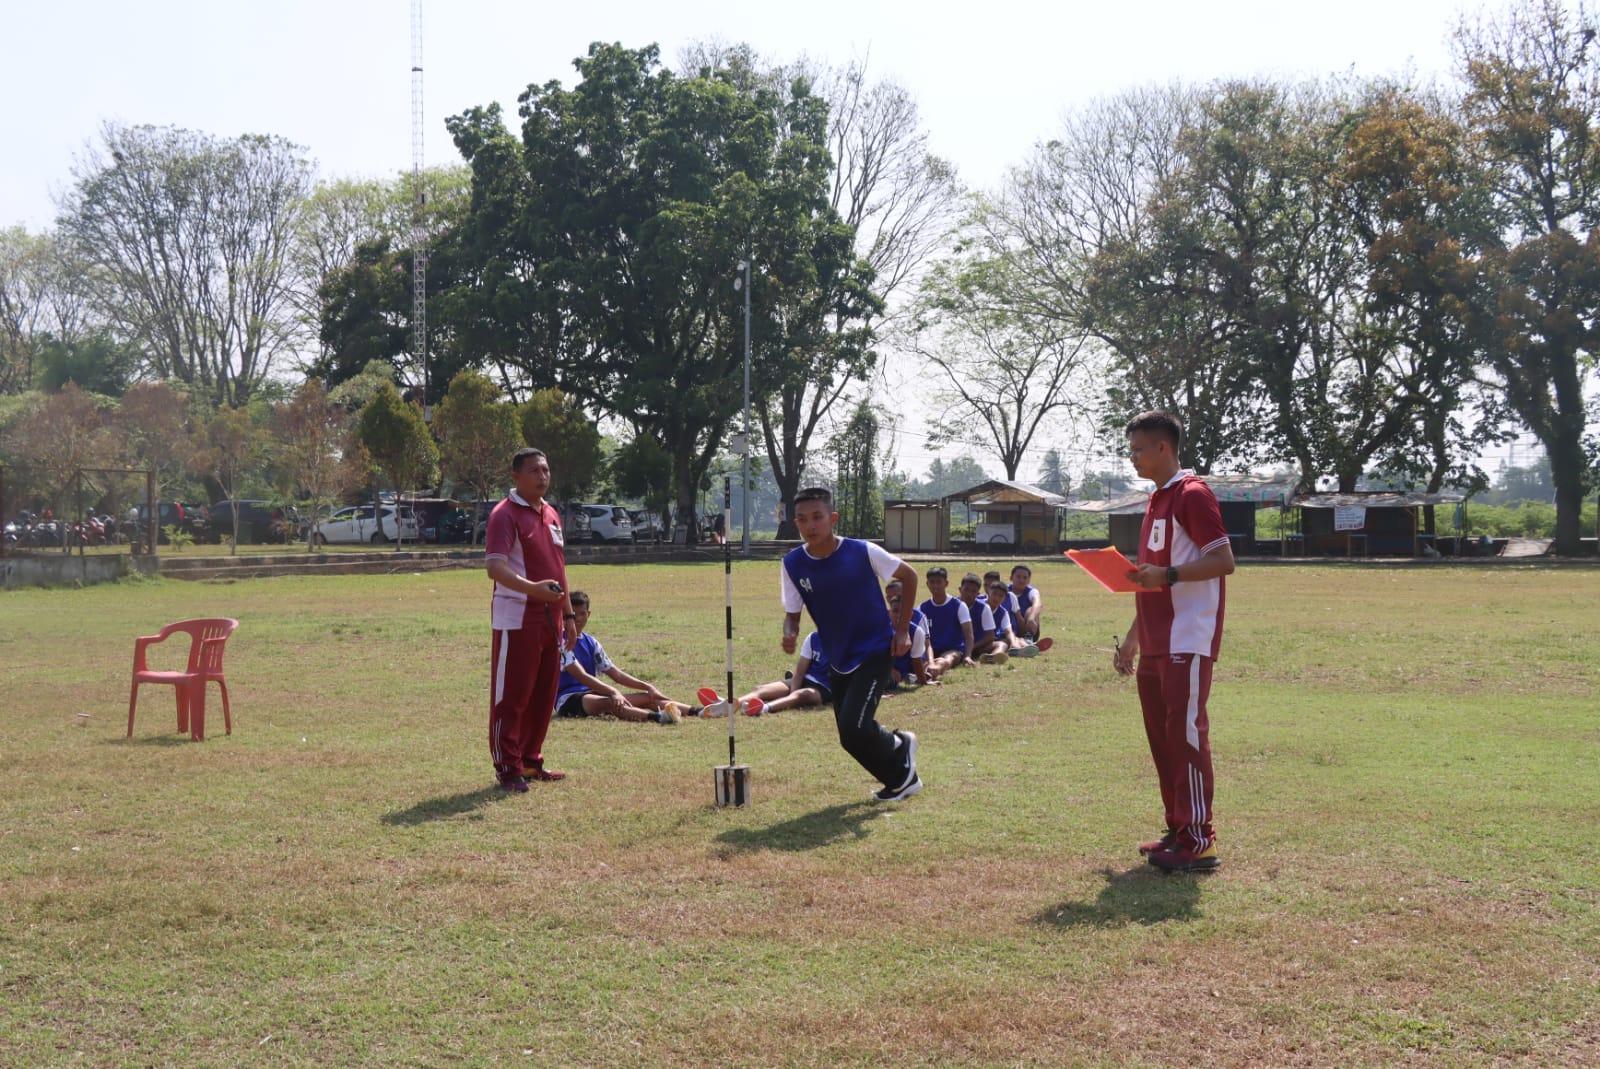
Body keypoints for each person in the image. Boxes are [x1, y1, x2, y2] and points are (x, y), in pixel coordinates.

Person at [1113, 410, 1235, 872]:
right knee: (1162, 736)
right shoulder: (1155, 501)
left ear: (1164, 448)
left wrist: (1168, 574)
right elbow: (1150, 580)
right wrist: (1132, 638)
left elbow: (1223, 560)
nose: (1132, 458)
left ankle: (1199, 839)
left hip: (1188, 634)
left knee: (1185, 736)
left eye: (1138, 448)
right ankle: (1179, 828)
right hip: (1157, 638)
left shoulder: (1192, 494)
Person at [781, 487, 923, 801]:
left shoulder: (862, 551)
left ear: (832, 519)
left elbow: (910, 576)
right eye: (803, 520)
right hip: (837, 655)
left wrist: (901, 632)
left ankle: (899, 745)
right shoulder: (792, 564)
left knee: (855, 726)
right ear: (796, 523)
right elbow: (793, 614)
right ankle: (900, 778)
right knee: (848, 737)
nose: (810, 526)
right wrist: (789, 631)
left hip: (875, 649)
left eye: (817, 517)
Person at [485, 446, 576, 792]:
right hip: (516, 618)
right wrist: (532, 589)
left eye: (546, 470)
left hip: (550, 620)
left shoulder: (551, 513)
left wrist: (567, 614)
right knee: (513, 696)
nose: (543, 477)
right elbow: (494, 567)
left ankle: (530, 761)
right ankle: (508, 767)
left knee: (542, 693)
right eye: (535, 471)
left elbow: (560, 568)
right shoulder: (504, 515)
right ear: (516, 477)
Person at [555, 591, 702, 724]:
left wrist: (648, 687)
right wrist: (614, 692)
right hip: (568, 698)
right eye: (574, 615)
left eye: (583, 614)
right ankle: (659, 718)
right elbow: (581, 676)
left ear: (589, 614)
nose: (578, 619)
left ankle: (699, 711)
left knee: (648, 697)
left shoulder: (591, 642)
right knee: (612, 703)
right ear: (565, 615)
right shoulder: (561, 641)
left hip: (595, 694)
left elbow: (616, 674)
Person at [730, 630, 834, 717]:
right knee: (761, 689)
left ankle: (763, 708)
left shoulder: (844, 644)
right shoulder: (813, 638)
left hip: (823, 689)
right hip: (805, 679)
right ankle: (733, 704)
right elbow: (799, 672)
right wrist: (792, 692)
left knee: (802, 694)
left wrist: (794, 696)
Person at [920, 565, 974, 679]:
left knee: (947, 659)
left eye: (939, 582)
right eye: (932, 582)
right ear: (927, 584)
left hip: (953, 649)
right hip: (931, 650)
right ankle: (926, 672)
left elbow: (968, 634)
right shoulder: (922, 608)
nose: (935, 586)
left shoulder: (958, 605)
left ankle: (930, 673)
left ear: (946, 583)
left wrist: (968, 656)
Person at [985, 578, 1053, 656]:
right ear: (988, 592)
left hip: (995, 638)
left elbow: (1008, 631)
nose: (996, 598)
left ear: (1004, 598)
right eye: (994, 594)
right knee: (1004, 643)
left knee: (1012, 639)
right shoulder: (981, 607)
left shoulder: (1003, 611)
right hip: (981, 641)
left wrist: (1015, 640)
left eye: (1000, 596)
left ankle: (1024, 647)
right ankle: (1026, 647)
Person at [886, 578, 931, 687]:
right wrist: (889, 670)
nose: (898, 615)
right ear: (889, 612)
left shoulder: (916, 631)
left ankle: (908, 676)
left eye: (903, 612)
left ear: (910, 614)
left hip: (903, 666)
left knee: (890, 682)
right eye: (895, 611)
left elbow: (916, 658)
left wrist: (923, 683)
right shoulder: (881, 628)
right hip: (881, 666)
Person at [956, 572, 1008, 665]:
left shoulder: (983, 608)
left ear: (978, 594)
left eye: (973, 591)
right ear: (960, 590)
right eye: (966, 590)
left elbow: (990, 636)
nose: (969, 594)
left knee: (1001, 644)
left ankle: (992, 657)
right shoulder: (953, 605)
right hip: (956, 646)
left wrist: (973, 647)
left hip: (977, 646)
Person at [1008, 564, 1045, 640]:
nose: (1021, 580)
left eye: (1025, 578)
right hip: (1008, 627)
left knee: (1031, 610)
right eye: (1018, 577)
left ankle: (1029, 639)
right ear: (1011, 578)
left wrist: (1031, 618)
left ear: (1029, 580)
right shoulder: (1004, 590)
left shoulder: (1031, 591)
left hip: (1026, 627)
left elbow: (1038, 603)